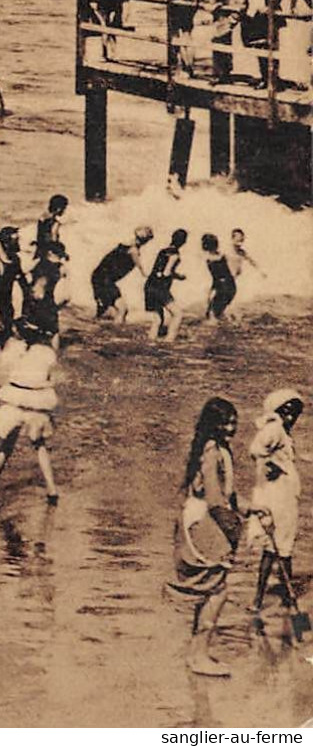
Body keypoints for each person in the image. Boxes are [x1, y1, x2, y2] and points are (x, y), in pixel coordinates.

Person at [171, 396, 243, 677]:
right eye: (226, 423)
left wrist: (252, 507)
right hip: (205, 522)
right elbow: (215, 500)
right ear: (214, 425)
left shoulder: (215, 449)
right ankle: (199, 654)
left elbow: (227, 494)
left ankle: (196, 652)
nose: (231, 428)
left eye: (234, 423)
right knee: (217, 591)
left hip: (202, 518)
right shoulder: (213, 452)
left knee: (208, 590)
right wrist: (234, 528)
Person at [0, 326, 63, 504]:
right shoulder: (47, 352)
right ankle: (51, 488)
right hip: (38, 401)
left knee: (5, 445)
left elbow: (4, 369)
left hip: (15, 398)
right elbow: (50, 377)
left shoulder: (13, 348)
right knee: (39, 445)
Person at [247, 389, 304, 612]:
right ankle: (278, 599)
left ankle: (271, 599)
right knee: (278, 548)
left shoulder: (281, 431)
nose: (291, 418)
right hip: (278, 498)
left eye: (295, 414)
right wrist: (269, 463)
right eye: (287, 412)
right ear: (277, 411)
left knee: (278, 547)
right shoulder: (275, 429)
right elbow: (255, 449)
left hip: (283, 497)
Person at [91, 226, 153, 322]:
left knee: (105, 311)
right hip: (104, 280)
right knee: (122, 310)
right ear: (146, 240)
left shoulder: (125, 245)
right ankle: (114, 335)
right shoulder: (133, 251)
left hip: (98, 277)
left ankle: (97, 329)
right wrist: (149, 276)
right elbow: (142, 269)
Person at [22, 242, 70, 347]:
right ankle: (55, 357)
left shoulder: (38, 262)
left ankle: (25, 355)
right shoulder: (62, 268)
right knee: (54, 332)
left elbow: (23, 272)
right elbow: (66, 292)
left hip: (33, 301)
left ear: (49, 252)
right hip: (49, 302)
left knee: (31, 330)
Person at [146, 229, 188, 341]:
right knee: (178, 314)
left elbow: (159, 270)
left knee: (157, 320)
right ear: (184, 242)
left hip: (149, 285)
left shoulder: (163, 251)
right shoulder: (175, 255)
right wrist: (179, 277)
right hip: (159, 288)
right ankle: (169, 341)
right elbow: (167, 273)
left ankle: (150, 342)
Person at [0, 226, 27, 345]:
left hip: (9, 306)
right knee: (3, 339)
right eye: (15, 240)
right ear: (6, 244)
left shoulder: (16, 260)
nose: (18, 243)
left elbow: (24, 285)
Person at [198, 233, 237, 322]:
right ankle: (230, 323)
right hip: (231, 286)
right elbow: (230, 272)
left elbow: (214, 277)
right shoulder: (223, 256)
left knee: (211, 313)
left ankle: (221, 325)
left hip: (222, 286)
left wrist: (210, 291)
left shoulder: (208, 259)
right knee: (219, 311)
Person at [34, 194, 68, 262]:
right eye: (64, 208)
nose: (64, 211)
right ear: (59, 208)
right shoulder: (49, 221)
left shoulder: (45, 217)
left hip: (43, 253)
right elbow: (48, 240)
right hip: (48, 255)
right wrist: (61, 253)